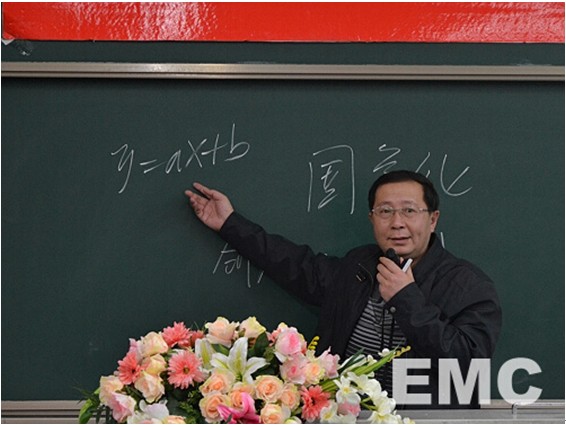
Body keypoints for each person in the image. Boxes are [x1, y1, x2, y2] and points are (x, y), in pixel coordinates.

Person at [185, 170, 501, 409]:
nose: (397, 223)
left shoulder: (468, 285)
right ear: (372, 219)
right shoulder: (358, 266)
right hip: (344, 416)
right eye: (385, 211)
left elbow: (469, 362)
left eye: (409, 211)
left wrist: (407, 299)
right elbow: (293, 264)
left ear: (433, 220)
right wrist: (230, 223)